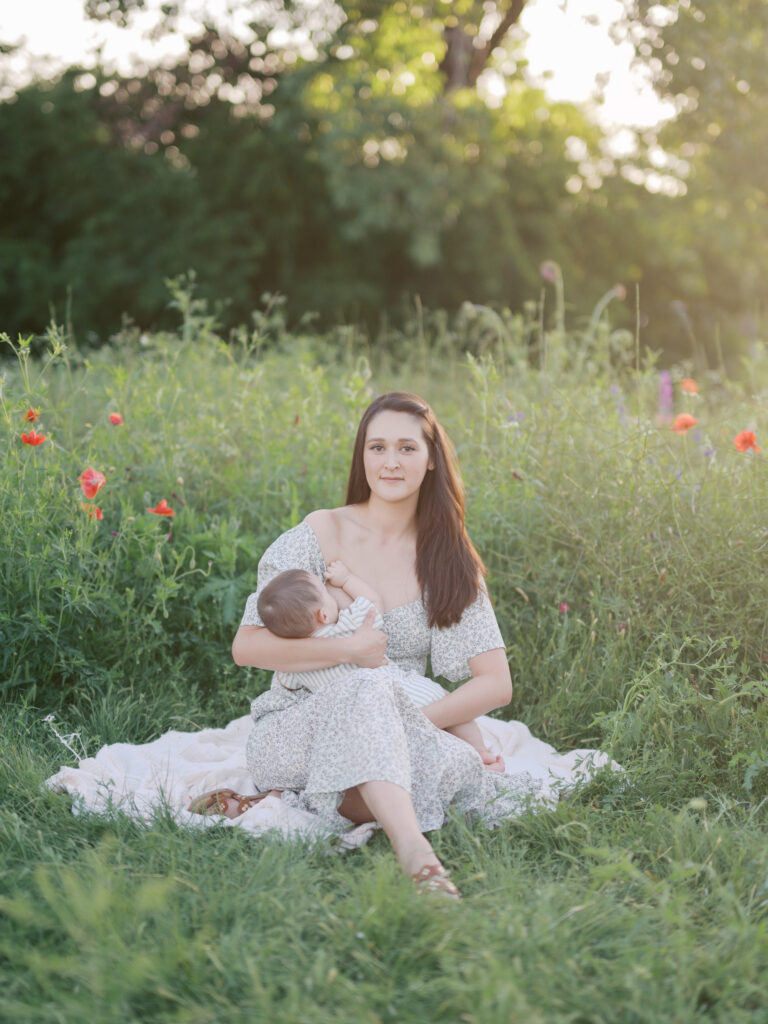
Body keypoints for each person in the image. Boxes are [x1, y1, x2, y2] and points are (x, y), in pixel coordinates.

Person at [227, 391, 541, 900]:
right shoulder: (319, 533)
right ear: (362, 457)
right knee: (365, 690)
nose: (390, 462)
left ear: (432, 458)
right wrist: (349, 653)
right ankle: (417, 855)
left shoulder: (447, 561)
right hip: (298, 726)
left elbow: (495, 683)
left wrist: (403, 722)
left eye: (406, 448)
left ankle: (301, 800)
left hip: (406, 728)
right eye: (377, 448)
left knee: (458, 764)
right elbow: (247, 645)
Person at [254, 561, 505, 768]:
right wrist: (346, 579)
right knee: (455, 714)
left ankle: (461, 759)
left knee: (429, 746)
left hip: (368, 722)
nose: (331, 594)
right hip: (409, 696)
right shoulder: (348, 626)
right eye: (326, 593)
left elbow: (286, 684)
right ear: (323, 615)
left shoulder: (295, 665)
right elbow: (374, 602)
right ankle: (479, 750)